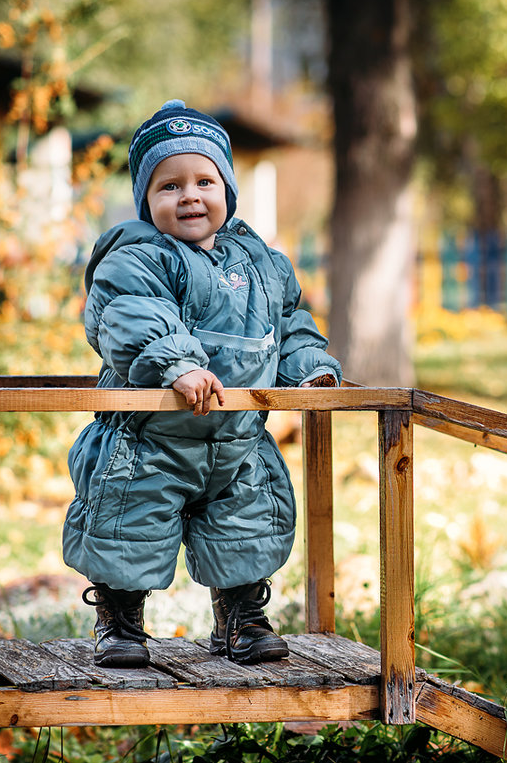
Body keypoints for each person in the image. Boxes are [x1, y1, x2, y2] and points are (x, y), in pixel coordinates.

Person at [64, 100, 341, 668]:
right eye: (169, 186)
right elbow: (133, 315)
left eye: (204, 181)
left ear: (227, 189)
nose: (189, 195)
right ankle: (120, 620)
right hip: (150, 438)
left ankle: (241, 616)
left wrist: (310, 367)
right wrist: (179, 364)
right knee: (128, 527)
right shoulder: (138, 255)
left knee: (245, 528)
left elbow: (289, 322)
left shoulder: (261, 261)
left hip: (237, 437)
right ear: (146, 199)